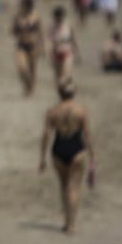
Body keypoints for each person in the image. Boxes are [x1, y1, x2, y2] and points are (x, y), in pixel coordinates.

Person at [39, 79, 95, 234]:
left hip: (58, 148)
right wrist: (92, 155)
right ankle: (72, 224)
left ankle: (66, 221)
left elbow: (46, 135)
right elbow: (87, 135)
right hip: (76, 148)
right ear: (74, 93)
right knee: (74, 187)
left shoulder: (52, 111)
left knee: (64, 186)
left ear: (59, 92)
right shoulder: (81, 110)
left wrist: (42, 158)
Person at [11, 0, 44, 96]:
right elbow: (13, 31)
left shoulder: (35, 16)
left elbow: (40, 32)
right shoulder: (17, 17)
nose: (21, 7)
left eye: (23, 5)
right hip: (21, 44)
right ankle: (27, 85)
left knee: (32, 68)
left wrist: (42, 46)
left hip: (33, 45)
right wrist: (19, 31)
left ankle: (31, 88)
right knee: (21, 68)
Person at [48, 6, 78, 85]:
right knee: (58, 77)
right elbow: (49, 42)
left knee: (66, 75)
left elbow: (73, 39)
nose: (59, 19)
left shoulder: (68, 25)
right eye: (57, 17)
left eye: (60, 16)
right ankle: (63, 93)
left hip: (67, 53)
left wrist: (77, 52)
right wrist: (49, 54)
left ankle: (69, 89)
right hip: (56, 54)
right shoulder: (51, 28)